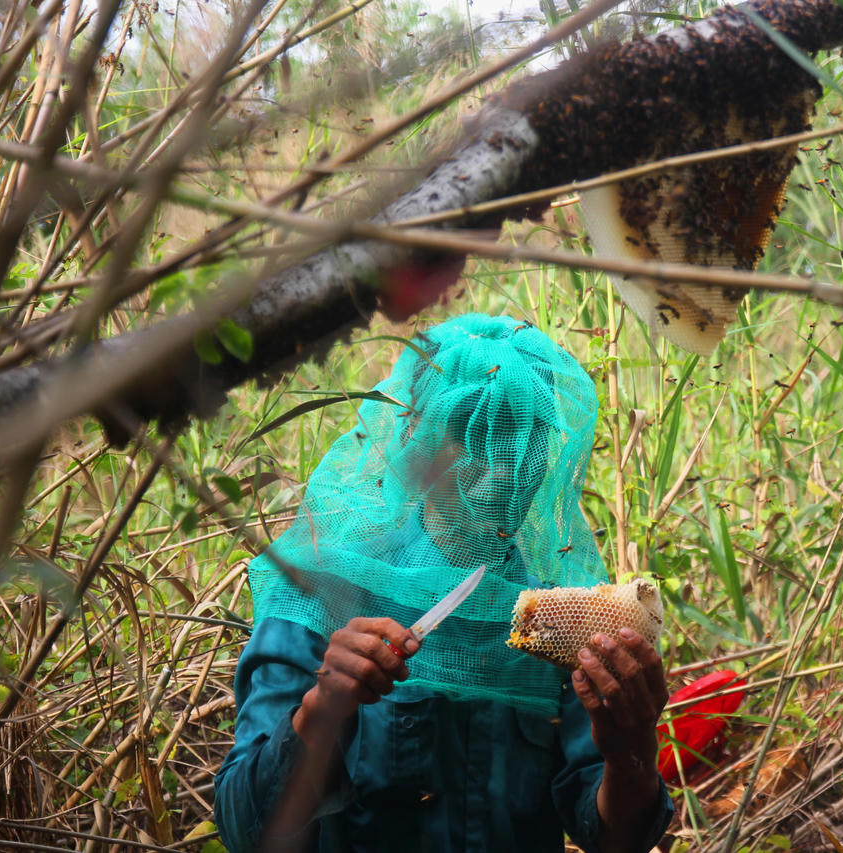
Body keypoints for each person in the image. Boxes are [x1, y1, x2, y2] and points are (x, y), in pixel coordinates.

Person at [214, 314, 674, 853]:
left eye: (519, 437)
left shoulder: (559, 620)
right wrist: (322, 709)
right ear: (413, 437)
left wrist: (631, 749)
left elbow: (615, 837)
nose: (502, 471)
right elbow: (244, 827)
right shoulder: (323, 592)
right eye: (470, 434)